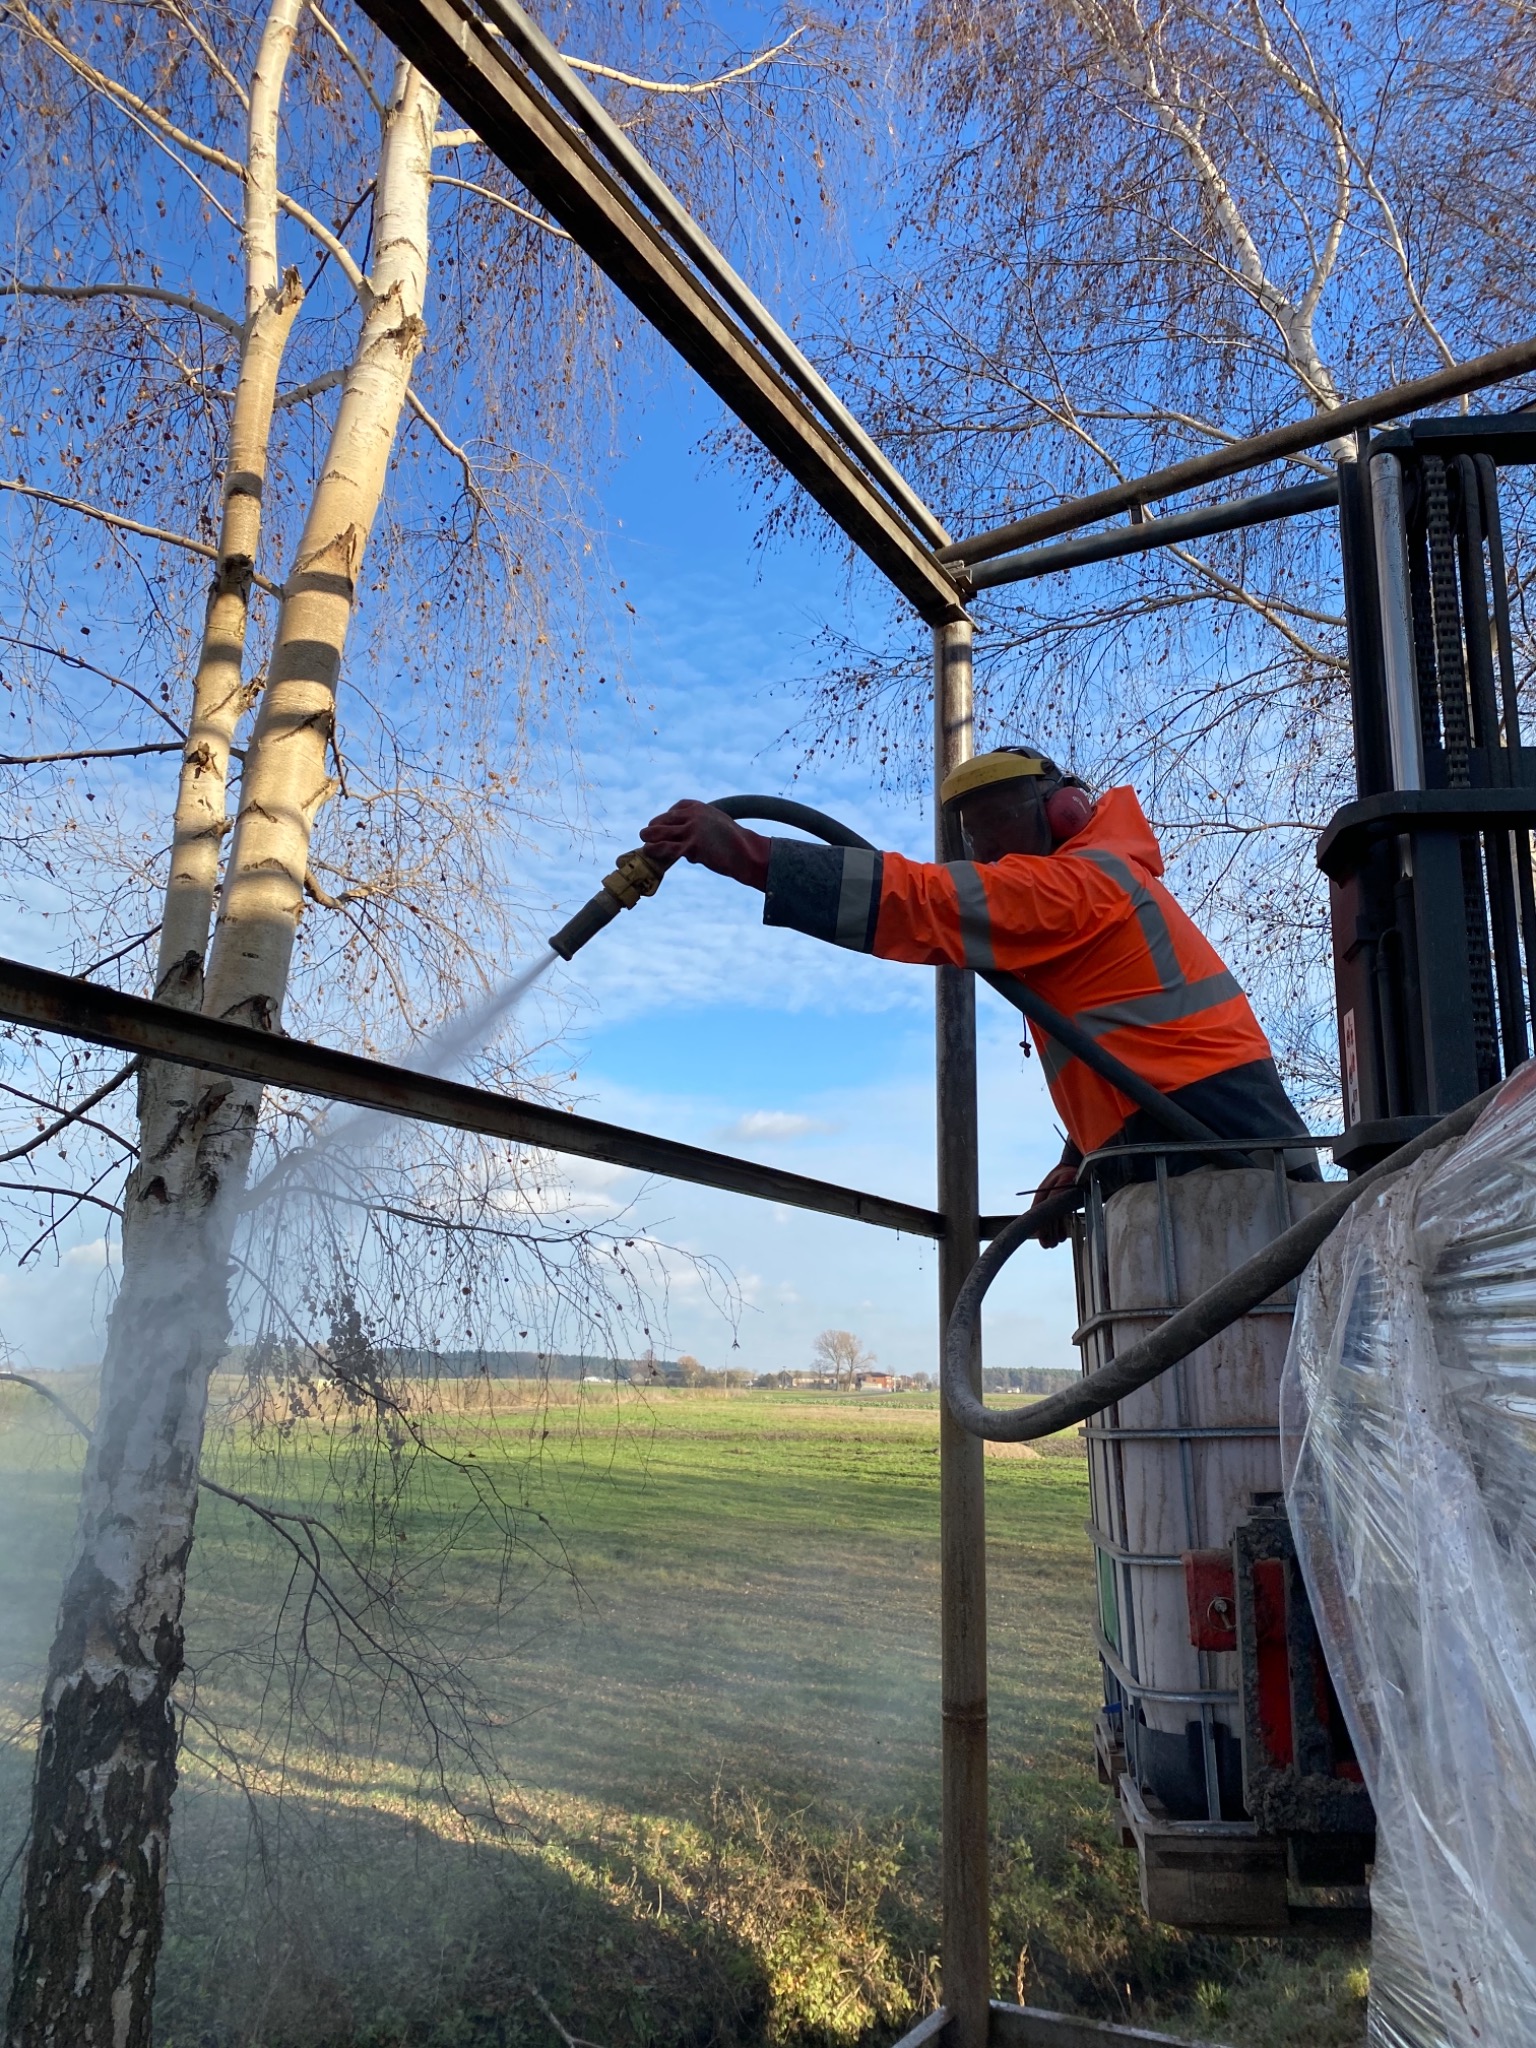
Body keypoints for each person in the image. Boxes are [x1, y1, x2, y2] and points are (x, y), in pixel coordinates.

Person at [639, 745, 1314, 1239]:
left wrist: (749, 856)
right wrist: (1083, 1157)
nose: (993, 851)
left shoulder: (1079, 885)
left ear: (1065, 811)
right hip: (1172, 1138)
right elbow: (1136, 1047)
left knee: (1249, 1366)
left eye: (1004, 823)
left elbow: (922, 901)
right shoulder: (1089, 895)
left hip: (1220, 1138)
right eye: (976, 831)